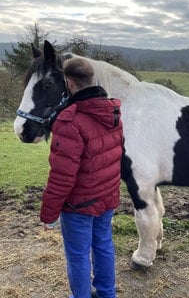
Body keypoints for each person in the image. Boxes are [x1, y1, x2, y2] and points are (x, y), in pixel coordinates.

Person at [40, 57, 123, 298]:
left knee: (77, 254)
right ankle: (107, 294)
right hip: (106, 197)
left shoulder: (69, 120)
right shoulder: (113, 112)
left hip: (78, 205)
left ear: (69, 82)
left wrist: (49, 214)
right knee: (103, 245)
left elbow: (61, 176)